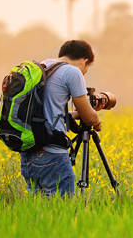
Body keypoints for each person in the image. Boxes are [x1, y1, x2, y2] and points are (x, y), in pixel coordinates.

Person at [20, 40, 102, 196]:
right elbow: (90, 119)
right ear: (84, 61)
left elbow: (48, 112)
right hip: (52, 155)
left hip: (28, 155)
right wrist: (97, 121)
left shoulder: (41, 68)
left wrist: (77, 115)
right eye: (87, 69)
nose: (84, 73)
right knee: (62, 212)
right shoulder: (72, 72)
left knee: (38, 213)